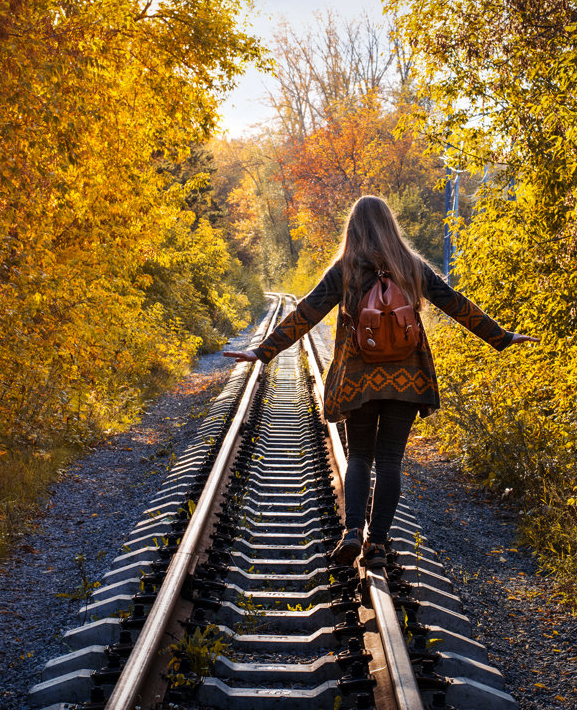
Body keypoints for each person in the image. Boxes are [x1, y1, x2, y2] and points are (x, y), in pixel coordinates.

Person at [223, 195, 538, 567]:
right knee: (389, 460)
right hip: (407, 378)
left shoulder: (346, 269)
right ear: (390, 225)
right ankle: (378, 543)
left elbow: (306, 313)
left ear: (352, 227)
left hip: (360, 377)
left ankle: (353, 531)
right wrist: (499, 336)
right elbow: (454, 302)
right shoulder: (411, 265)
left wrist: (262, 351)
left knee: (359, 455)